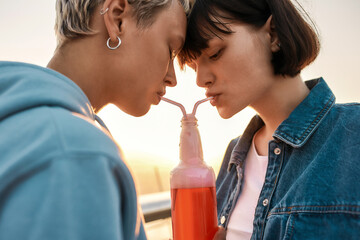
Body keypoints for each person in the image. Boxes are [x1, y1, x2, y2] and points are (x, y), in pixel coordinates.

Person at [0, 0, 191, 239]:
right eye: (171, 48)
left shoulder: (20, 121)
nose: (172, 78)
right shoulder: (74, 154)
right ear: (117, 18)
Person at [178, 0, 360, 239]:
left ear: (272, 34)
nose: (200, 80)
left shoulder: (353, 133)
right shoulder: (234, 156)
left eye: (215, 53)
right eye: (193, 66)